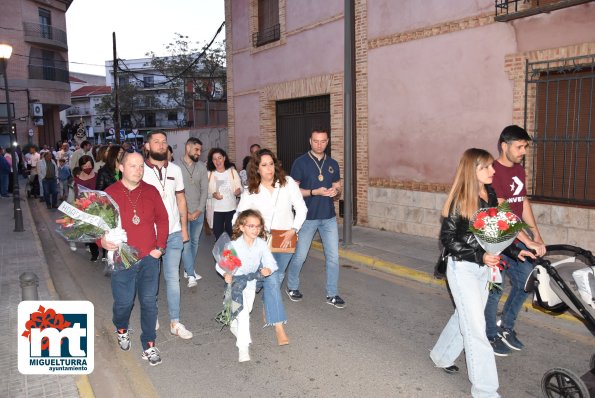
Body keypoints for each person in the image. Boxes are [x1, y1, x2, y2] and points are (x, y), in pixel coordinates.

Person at [429, 148, 534, 398]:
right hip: (463, 268)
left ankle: (441, 355)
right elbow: (448, 240)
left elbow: (494, 231)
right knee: (476, 327)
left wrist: (513, 252)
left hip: (487, 268)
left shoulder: (491, 192)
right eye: (486, 167)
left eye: (491, 166)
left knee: (464, 315)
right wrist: (480, 256)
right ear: (472, 170)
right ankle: (486, 390)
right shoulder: (460, 200)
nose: (492, 170)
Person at [100, 152, 169, 366]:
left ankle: (149, 344)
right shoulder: (109, 194)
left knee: (149, 301)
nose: (138, 170)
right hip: (123, 258)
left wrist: (160, 247)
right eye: (133, 166)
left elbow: (163, 219)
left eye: (141, 166)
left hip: (149, 256)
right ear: (121, 167)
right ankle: (121, 327)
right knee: (124, 302)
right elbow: (98, 227)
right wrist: (101, 242)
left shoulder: (151, 191)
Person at [484, 125, 547, 355]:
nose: (523, 151)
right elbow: (503, 210)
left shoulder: (518, 169)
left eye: (525, 147)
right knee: (495, 290)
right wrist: (526, 239)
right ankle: (489, 334)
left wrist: (535, 234)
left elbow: (523, 202)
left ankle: (506, 327)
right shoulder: (492, 171)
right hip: (497, 239)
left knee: (526, 282)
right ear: (504, 145)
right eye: (519, 146)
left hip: (517, 236)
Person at [236, 148, 307, 345]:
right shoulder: (251, 191)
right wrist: (239, 235)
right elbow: (239, 214)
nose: (269, 168)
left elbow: (301, 208)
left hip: (285, 239)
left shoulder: (288, 183)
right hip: (261, 243)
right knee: (273, 278)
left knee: (274, 277)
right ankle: (279, 326)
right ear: (257, 169)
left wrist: (294, 229)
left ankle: (266, 303)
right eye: (264, 165)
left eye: (271, 164)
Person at [286, 128, 345, 308]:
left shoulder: (333, 163)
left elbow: (338, 186)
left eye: (323, 141)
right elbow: (293, 192)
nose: (319, 144)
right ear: (310, 141)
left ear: (327, 142)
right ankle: (292, 287)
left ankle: (332, 294)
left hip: (328, 217)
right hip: (307, 218)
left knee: (333, 257)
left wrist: (336, 191)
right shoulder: (300, 163)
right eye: (316, 141)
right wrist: (314, 192)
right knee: (300, 256)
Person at [143, 130, 193, 340]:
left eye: (164, 142)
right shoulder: (140, 171)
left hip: (172, 233)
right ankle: (152, 315)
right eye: (156, 142)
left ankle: (175, 321)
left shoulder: (175, 169)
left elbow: (181, 199)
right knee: (151, 279)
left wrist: (184, 229)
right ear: (147, 146)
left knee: (173, 278)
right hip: (148, 235)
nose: (161, 145)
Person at [216, 209, 276, 362]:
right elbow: (220, 265)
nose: (255, 229)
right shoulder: (233, 245)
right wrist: (225, 274)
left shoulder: (261, 244)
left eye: (258, 226)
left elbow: (270, 261)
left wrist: (268, 268)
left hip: (251, 283)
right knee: (243, 314)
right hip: (236, 283)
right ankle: (243, 348)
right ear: (241, 227)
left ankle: (233, 324)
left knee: (245, 310)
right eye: (251, 226)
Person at [179, 137, 208, 288]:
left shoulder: (202, 168)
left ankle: (187, 268)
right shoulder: (175, 167)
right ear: (187, 147)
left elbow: (205, 191)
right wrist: (186, 213)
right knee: (186, 243)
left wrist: (199, 210)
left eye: (200, 151)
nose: (199, 153)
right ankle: (191, 275)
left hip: (198, 213)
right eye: (196, 149)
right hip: (182, 214)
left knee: (195, 242)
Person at [207, 148, 242, 240]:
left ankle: (233, 254)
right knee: (218, 237)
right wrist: (213, 195)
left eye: (219, 158)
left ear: (224, 158)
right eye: (214, 159)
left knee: (233, 235)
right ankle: (221, 254)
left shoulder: (232, 172)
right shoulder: (209, 174)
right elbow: (205, 193)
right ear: (212, 161)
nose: (217, 161)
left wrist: (238, 191)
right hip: (216, 211)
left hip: (231, 209)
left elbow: (240, 187)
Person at [75, 155, 99, 261]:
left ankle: (104, 253)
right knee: (90, 232)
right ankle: (94, 253)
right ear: (81, 167)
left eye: (89, 165)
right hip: (85, 209)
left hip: (99, 208)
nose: (87, 168)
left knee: (100, 231)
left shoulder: (97, 176)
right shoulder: (77, 179)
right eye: (84, 166)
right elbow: (77, 194)